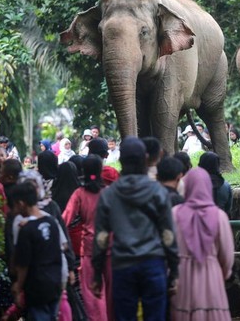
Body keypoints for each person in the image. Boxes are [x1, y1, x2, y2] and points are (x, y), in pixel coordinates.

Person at [91, 137, 179, 321]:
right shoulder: (158, 192)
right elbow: (168, 234)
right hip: (153, 263)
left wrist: (97, 272)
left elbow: (101, 237)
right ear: (145, 159)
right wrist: (174, 271)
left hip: (123, 266)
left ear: (121, 160)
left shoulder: (109, 195)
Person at [171, 167, 234, 320]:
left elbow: (168, 249)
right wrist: (224, 273)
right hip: (211, 275)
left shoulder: (175, 213)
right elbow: (226, 255)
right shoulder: (220, 217)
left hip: (183, 276)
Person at [9, 182, 69, 320]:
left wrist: (18, 286)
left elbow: (23, 264)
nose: (14, 210)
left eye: (15, 205)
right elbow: (61, 250)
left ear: (21, 203)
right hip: (55, 282)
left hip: (36, 286)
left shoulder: (26, 229)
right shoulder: (52, 222)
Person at [63, 155, 110, 321]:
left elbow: (65, 219)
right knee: (110, 294)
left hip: (89, 251)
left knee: (92, 296)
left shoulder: (79, 194)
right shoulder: (109, 193)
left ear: (83, 171)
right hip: (111, 250)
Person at [197, 152, 232, 217]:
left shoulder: (194, 185)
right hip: (220, 222)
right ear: (217, 165)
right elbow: (228, 209)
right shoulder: (226, 186)